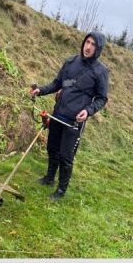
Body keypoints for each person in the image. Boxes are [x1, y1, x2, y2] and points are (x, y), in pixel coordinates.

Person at [31, 32, 109, 201]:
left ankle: (61, 190)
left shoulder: (100, 71)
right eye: (87, 42)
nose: (88, 47)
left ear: (98, 48)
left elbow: (102, 98)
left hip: (74, 121)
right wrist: (41, 91)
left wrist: (88, 111)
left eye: (93, 44)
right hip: (58, 114)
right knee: (52, 149)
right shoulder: (71, 62)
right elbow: (57, 84)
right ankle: (49, 178)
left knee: (66, 157)